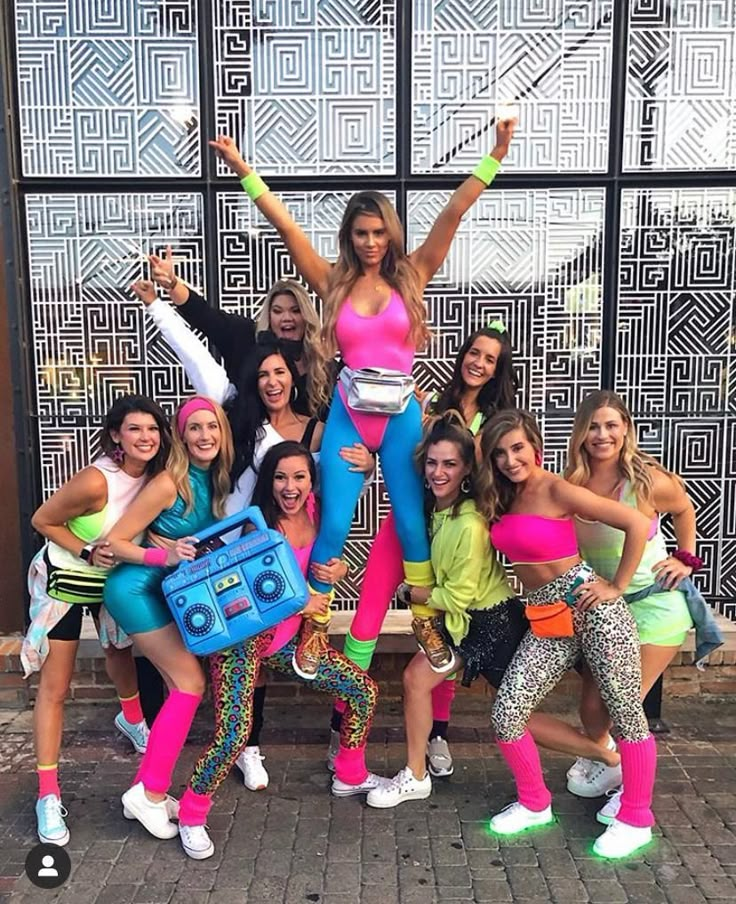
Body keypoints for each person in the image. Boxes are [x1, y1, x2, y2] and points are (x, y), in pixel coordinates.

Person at [209, 114, 517, 680]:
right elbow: (285, 227)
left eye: (379, 232)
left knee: (409, 523)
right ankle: (313, 624)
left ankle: (425, 619)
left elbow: (453, 211)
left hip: (399, 422)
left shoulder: (413, 275)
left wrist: (495, 155)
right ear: (349, 237)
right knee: (334, 524)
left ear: (391, 234)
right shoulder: (333, 282)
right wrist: (242, 168)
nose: (371, 242)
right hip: (351, 419)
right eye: (361, 233)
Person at [131, 280, 372, 789]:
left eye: (279, 373)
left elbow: (337, 480)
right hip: (224, 555)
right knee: (199, 650)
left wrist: (372, 463)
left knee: (261, 652)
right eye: (262, 374)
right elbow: (197, 357)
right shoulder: (237, 415)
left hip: (281, 569)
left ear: (293, 375)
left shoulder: (315, 429)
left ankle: (256, 746)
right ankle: (186, 748)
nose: (271, 382)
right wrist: (159, 304)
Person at [175, 442, 385, 859]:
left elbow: (329, 558)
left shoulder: (321, 515)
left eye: (299, 477)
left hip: (290, 644)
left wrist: (338, 569)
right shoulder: (259, 529)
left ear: (311, 481)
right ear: (268, 483)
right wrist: (300, 601)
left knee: (362, 691)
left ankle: (349, 772)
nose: (290, 487)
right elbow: (249, 596)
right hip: (241, 642)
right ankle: (190, 812)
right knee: (233, 733)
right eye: (280, 477)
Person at [328, 321, 518, 776]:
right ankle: (343, 723)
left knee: (444, 630)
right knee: (366, 620)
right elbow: (400, 455)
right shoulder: (424, 401)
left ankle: (437, 735)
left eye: (489, 358)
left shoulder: (496, 423)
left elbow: (503, 478)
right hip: (407, 523)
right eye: (474, 352)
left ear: (497, 370)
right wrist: (376, 460)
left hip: (451, 535)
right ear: (463, 355)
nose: (478, 362)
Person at [478, 409, 656, 859]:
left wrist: (615, 585)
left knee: (627, 714)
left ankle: (636, 817)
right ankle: (535, 803)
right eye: (500, 453)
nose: (511, 460)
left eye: (518, 448)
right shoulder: (499, 498)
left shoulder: (555, 487)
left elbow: (637, 523)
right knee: (507, 713)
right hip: (547, 619)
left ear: (534, 445)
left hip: (590, 607)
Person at [563, 391, 720, 819]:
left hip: (656, 608)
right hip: (607, 613)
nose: (602, 434)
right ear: (581, 432)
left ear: (626, 430)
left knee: (624, 704)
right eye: (593, 426)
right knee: (592, 708)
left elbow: (685, 508)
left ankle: (632, 793)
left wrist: (685, 558)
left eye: (611, 425)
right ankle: (610, 762)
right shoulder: (570, 484)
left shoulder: (646, 480)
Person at [23, 394, 171, 847]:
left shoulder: (160, 481)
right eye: (134, 429)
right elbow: (42, 520)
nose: (146, 437)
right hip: (66, 581)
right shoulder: (95, 481)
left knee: (120, 652)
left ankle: (131, 720)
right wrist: (87, 549)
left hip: (112, 583)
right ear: (116, 437)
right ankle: (47, 794)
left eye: (152, 428)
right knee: (57, 686)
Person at [365, 412, 528, 808]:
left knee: (520, 720)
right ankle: (417, 775)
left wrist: (411, 593)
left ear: (467, 468)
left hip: (492, 625)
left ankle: (608, 755)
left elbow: (456, 599)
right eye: (433, 463)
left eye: (450, 464)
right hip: (468, 623)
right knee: (417, 680)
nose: (439, 472)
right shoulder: (434, 510)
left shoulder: (469, 523)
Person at [104, 396, 234, 841]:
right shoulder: (169, 483)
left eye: (212, 427)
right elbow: (115, 541)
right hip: (133, 589)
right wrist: (166, 554)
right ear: (182, 435)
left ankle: (147, 786)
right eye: (195, 428)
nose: (205, 436)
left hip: (162, 592)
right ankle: (150, 792)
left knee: (187, 684)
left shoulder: (215, 480)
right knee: (190, 684)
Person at [146, 247, 329, 416]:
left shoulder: (323, 365)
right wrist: (172, 284)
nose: (286, 318)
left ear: (307, 317)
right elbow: (203, 315)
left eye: (295, 311)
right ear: (269, 315)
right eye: (278, 311)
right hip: (245, 442)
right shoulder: (245, 336)